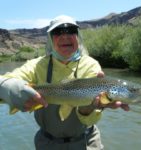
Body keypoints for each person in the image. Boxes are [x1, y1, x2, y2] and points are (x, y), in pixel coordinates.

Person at [0, 15, 129, 150]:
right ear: (51, 39)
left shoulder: (91, 65)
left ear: (77, 36)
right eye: (58, 32)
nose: (65, 36)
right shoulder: (36, 65)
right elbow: (4, 81)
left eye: (71, 31)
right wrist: (8, 87)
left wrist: (91, 107)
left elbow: (90, 119)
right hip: (46, 143)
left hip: (87, 141)